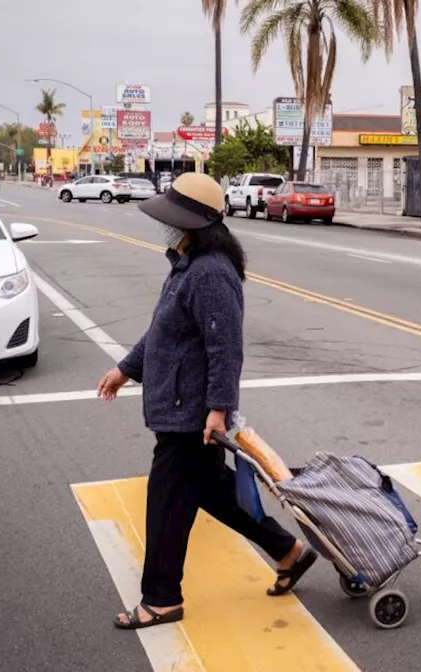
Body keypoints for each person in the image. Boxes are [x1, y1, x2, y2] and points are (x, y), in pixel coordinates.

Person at [97, 172, 318, 630]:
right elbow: (162, 333)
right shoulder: (188, 265)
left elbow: (225, 349)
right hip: (183, 409)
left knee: (165, 504)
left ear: (194, 224)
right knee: (215, 494)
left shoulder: (211, 272)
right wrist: (124, 369)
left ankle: (161, 599)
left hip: (191, 415)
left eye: (174, 220)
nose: (167, 227)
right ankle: (289, 551)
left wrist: (217, 410)